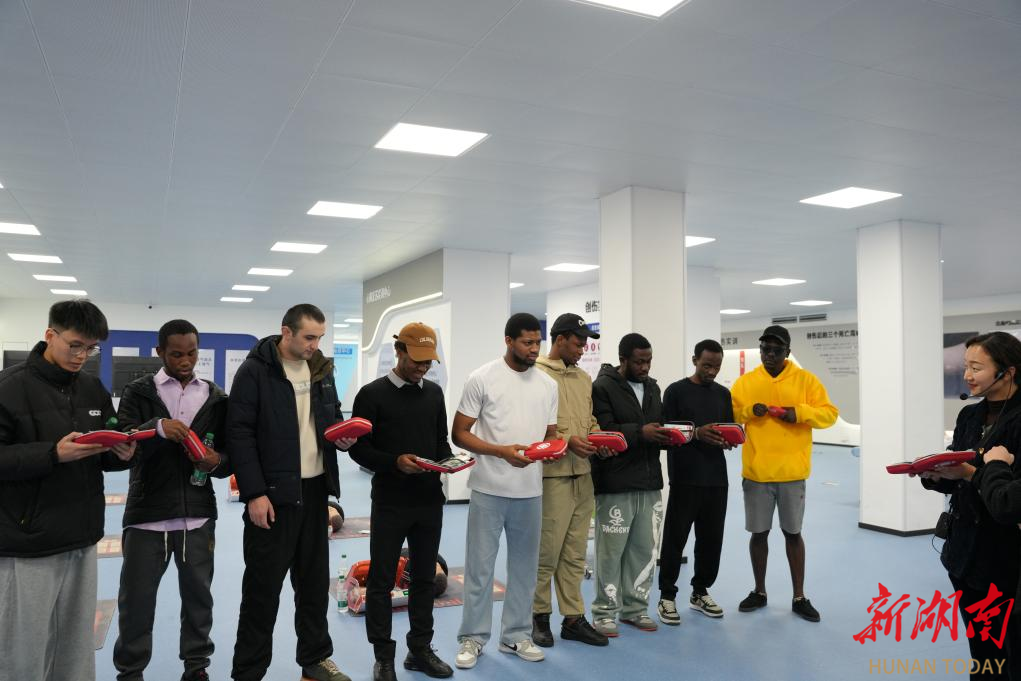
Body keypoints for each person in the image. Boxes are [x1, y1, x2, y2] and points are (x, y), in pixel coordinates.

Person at [0, 299, 135, 681]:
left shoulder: (92, 388)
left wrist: (122, 453)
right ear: (50, 335)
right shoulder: (9, 388)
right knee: (23, 652)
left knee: (75, 649)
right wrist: (52, 454)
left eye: (90, 348)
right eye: (75, 345)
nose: (81, 356)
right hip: (28, 544)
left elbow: (105, 445)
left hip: (81, 537)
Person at [229, 304, 357, 681]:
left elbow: (331, 417)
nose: (315, 345)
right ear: (286, 332)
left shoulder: (321, 370)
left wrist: (342, 437)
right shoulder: (255, 371)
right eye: (308, 337)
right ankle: (249, 672)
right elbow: (239, 434)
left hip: (315, 492)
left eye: (320, 337)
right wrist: (254, 493)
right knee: (262, 591)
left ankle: (315, 660)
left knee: (314, 585)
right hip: (272, 495)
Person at [112, 319, 230, 681]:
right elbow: (123, 441)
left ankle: (196, 668)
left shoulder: (216, 397)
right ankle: (130, 672)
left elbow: (229, 455)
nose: (185, 361)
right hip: (146, 514)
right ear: (160, 351)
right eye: (176, 354)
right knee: (136, 602)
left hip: (197, 515)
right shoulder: (138, 392)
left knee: (199, 600)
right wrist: (157, 428)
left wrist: (216, 461)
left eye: (191, 353)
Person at [349, 322, 455, 681]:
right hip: (390, 502)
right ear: (399, 351)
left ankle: (420, 650)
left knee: (424, 579)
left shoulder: (434, 394)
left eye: (428, 362)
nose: (422, 367)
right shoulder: (371, 395)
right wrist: (394, 462)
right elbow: (359, 450)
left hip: (429, 501)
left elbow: (440, 442)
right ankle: (383, 657)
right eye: (417, 360)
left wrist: (450, 461)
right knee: (381, 582)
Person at [452, 313, 558, 670]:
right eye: (527, 342)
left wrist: (551, 450)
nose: (534, 349)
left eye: (537, 342)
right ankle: (472, 637)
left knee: (525, 570)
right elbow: (459, 433)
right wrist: (501, 452)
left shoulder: (548, 385)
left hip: (530, 492)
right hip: (489, 488)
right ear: (509, 341)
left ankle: (516, 635)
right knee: (480, 569)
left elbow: (551, 435)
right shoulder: (482, 378)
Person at [922, 331, 1021, 679]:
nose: (967, 375)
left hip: (1005, 557)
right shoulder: (969, 415)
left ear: (1007, 372)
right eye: (966, 366)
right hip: (964, 554)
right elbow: (960, 472)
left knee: (1008, 652)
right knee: (981, 648)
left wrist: (970, 473)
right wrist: (936, 475)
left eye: (976, 368)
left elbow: (1010, 498)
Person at [730, 325, 837, 622]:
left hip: (792, 473)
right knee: (758, 534)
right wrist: (749, 411)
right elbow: (731, 413)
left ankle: (799, 597)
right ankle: (759, 591)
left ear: (788, 352)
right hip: (757, 473)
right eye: (766, 349)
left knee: (793, 534)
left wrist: (798, 413)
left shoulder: (806, 380)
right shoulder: (746, 382)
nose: (770, 355)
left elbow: (829, 414)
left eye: (777, 350)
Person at [531, 313, 609, 648]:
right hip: (552, 476)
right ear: (560, 339)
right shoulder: (535, 375)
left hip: (583, 475)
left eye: (585, 344)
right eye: (578, 344)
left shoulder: (582, 378)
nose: (582, 350)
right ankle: (538, 616)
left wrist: (600, 438)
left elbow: (588, 420)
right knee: (546, 553)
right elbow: (531, 427)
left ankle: (573, 618)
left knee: (576, 553)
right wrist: (566, 441)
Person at [590, 333, 670, 636]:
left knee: (644, 550)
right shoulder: (602, 387)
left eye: (648, 361)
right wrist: (640, 432)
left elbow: (657, 424)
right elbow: (604, 429)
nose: (645, 367)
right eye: (639, 362)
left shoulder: (653, 388)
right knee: (610, 553)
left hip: (649, 482)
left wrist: (668, 436)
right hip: (616, 483)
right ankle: (604, 612)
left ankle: (635, 609)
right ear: (623, 359)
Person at [657, 339, 735, 625]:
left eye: (717, 367)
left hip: (717, 478)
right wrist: (697, 433)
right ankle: (666, 595)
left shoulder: (723, 394)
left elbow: (727, 427)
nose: (712, 371)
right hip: (685, 477)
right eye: (706, 365)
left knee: (711, 539)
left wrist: (729, 439)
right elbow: (666, 431)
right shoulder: (675, 391)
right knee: (675, 538)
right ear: (694, 361)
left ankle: (700, 592)